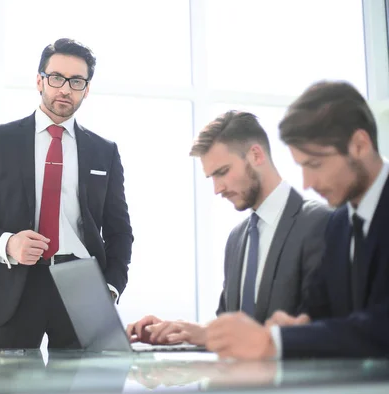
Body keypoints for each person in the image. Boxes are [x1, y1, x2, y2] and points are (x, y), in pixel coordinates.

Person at [0, 38, 133, 349]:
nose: (65, 88)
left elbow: (119, 230)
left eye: (76, 81)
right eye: (56, 78)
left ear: (86, 89)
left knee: (85, 392)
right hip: (12, 283)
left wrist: (110, 287)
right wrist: (7, 243)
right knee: (7, 393)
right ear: (40, 81)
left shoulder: (104, 151)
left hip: (85, 285)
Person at [205, 81, 389, 359]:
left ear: (360, 145)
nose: (307, 182)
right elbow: (321, 311)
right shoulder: (339, 224)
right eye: (301, 167)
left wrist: (279, 341)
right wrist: (297, 326)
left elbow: (381, 326)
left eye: (315, 165)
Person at [127, 111, 330, 346]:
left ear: (256, 155)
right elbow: (231, 330)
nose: (217, 189)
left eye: (222, 172)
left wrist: (204, 334)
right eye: (211, 177)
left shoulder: (319, 223)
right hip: (238, 381)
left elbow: (324, 330)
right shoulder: (237, 238)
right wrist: (180, 332)